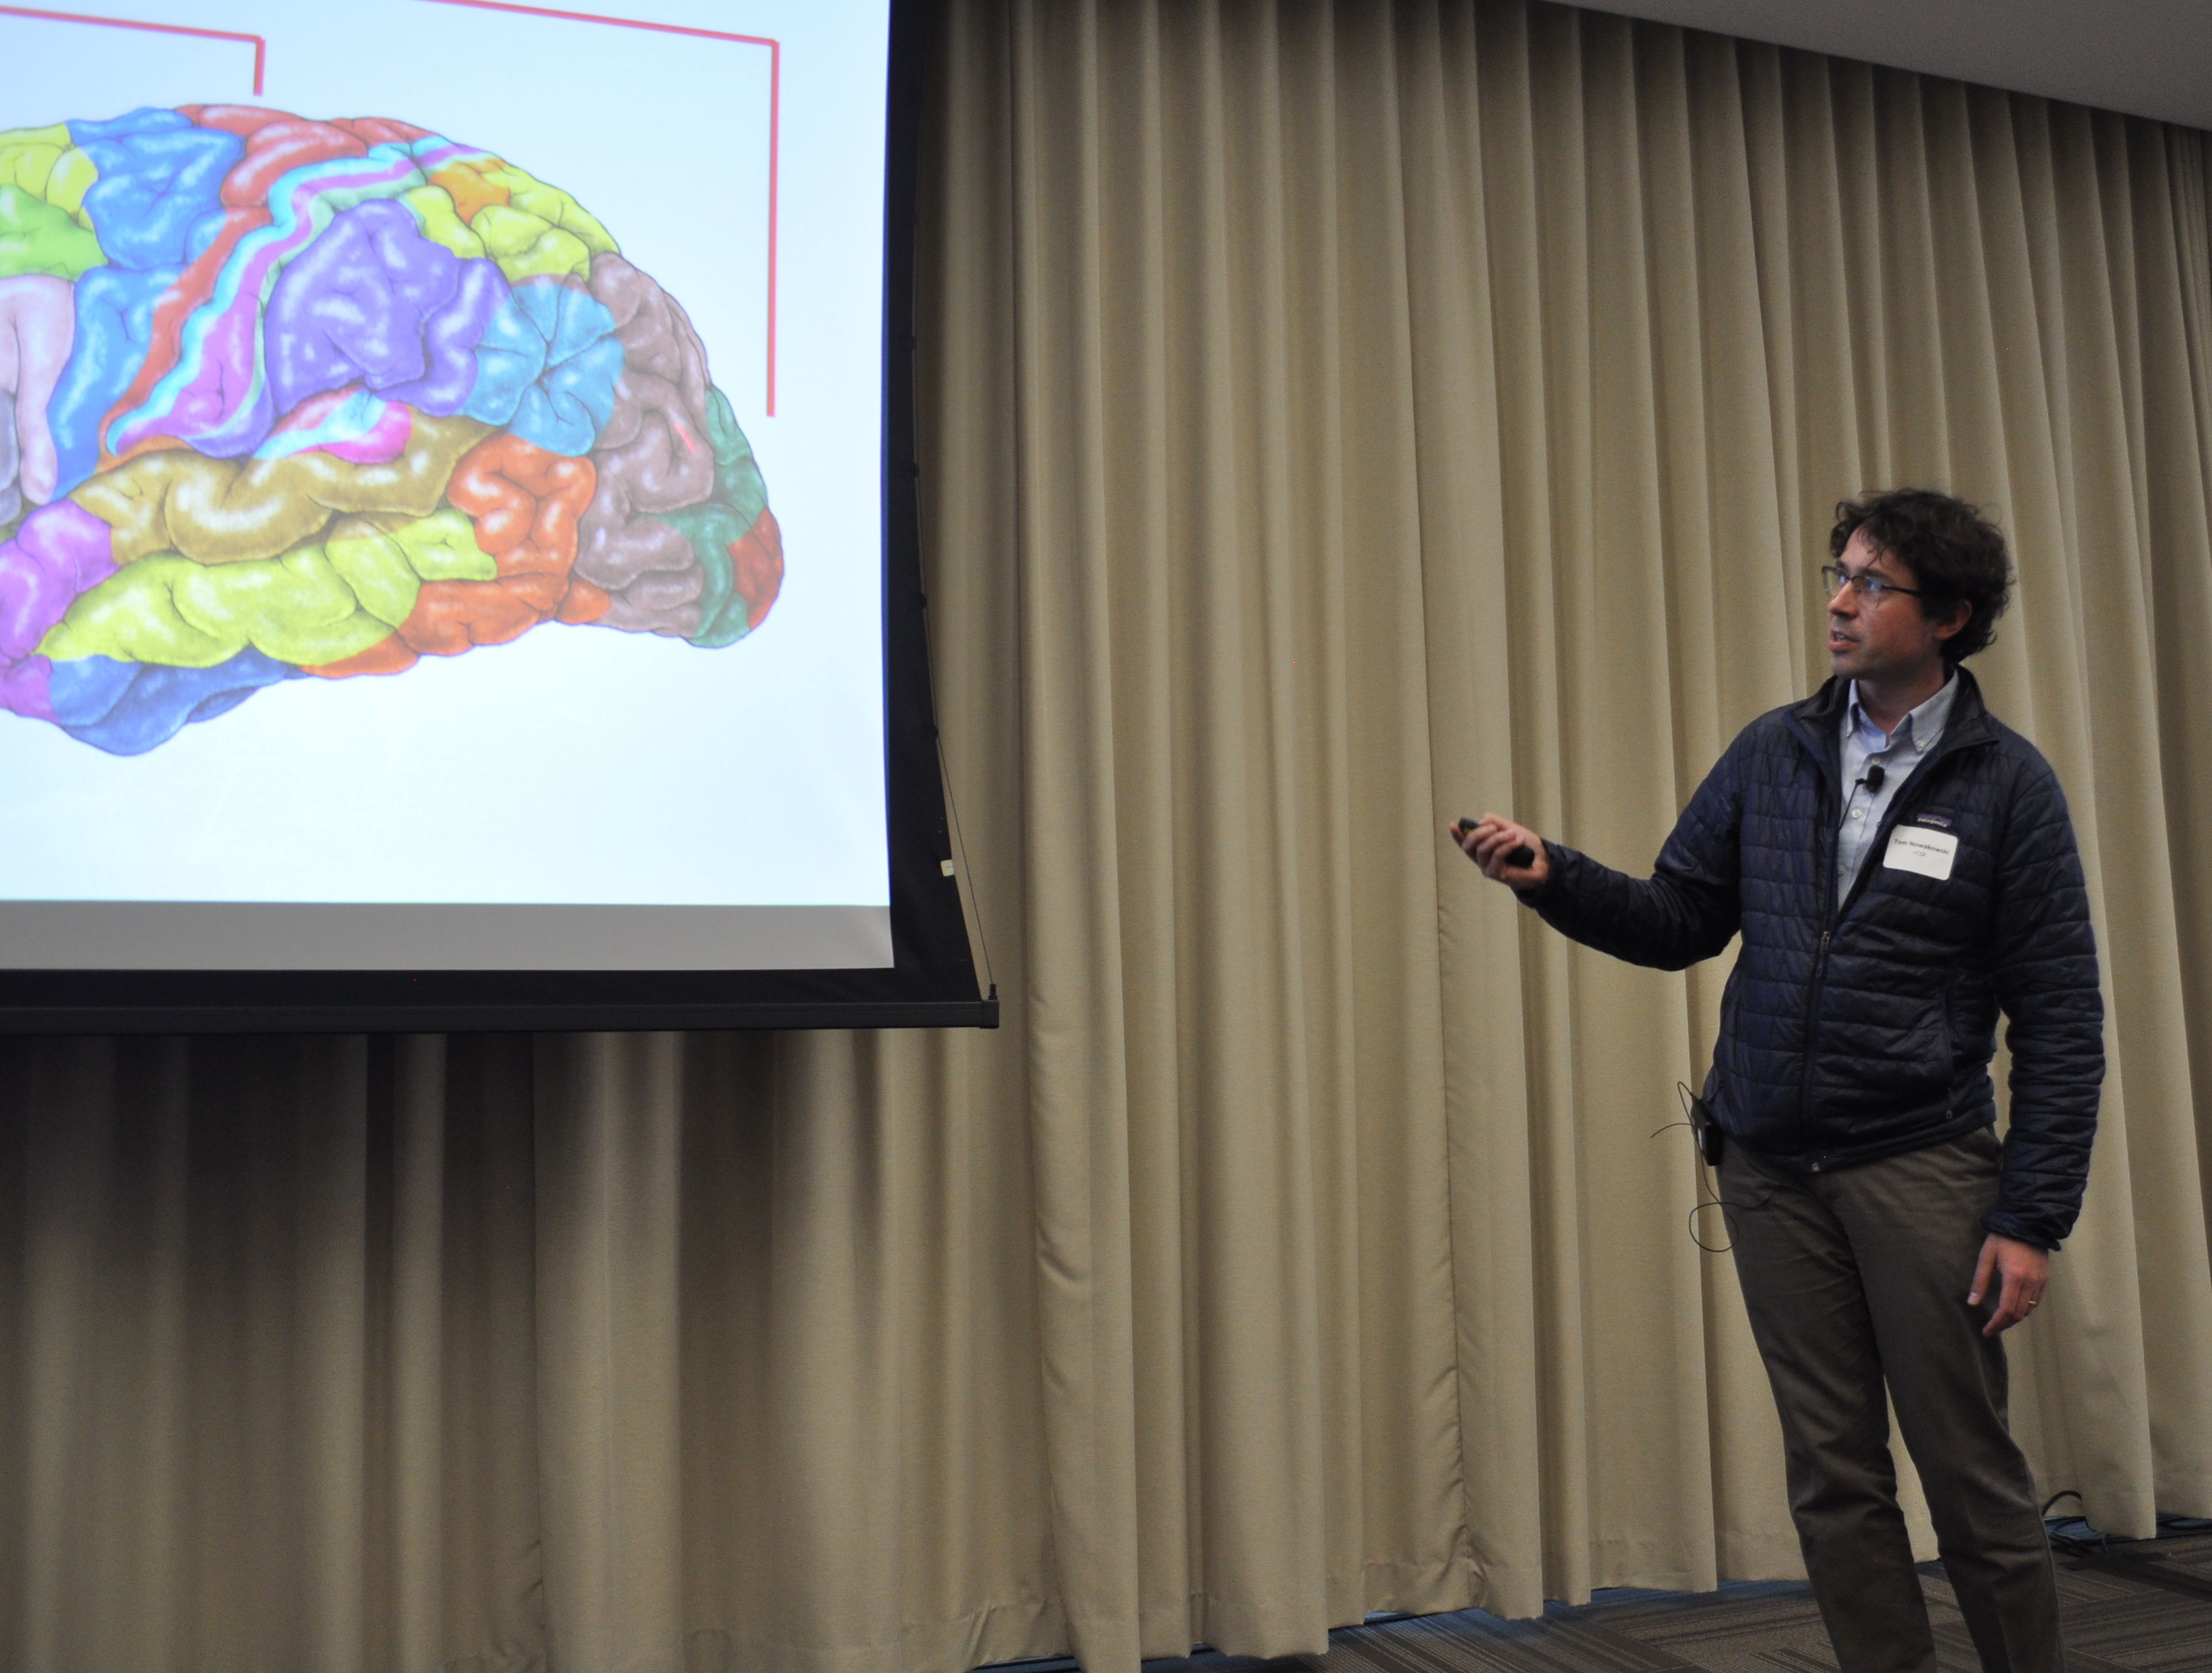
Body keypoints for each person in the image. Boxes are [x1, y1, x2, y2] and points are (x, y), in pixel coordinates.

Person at [1453, 488, 2102, 1673]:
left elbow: (2061, 1017)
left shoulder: (2007, 786)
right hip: (1767, 1168)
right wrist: (1552, 874)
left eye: (1872, 583)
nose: (1840, 603)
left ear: (1950, 617)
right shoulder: (1775, 748)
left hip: (1920, 1167)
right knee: (1831, 1470)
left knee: (1966, 1470)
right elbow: (1679, 918)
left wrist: (2030, 1217)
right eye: (1837, 574)